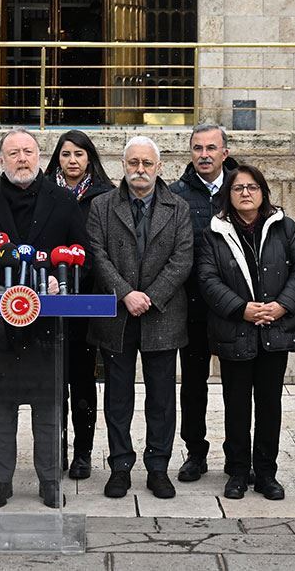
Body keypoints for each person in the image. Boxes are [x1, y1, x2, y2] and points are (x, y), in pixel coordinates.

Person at [0, 129, 86, 509]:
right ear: (1, 161)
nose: (22, 159)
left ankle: (50, 481)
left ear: (39, 156)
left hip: (50, 329)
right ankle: (0, 482)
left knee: (49, 409)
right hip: (0, 328)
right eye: (13, 153)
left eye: (28, 152)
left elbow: (84, 254)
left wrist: (62, 279)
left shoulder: (63, 201)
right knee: (0, 410)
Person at [87, 136, 194, 501]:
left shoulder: (178, 207)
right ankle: (120, 466)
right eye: (133, 162)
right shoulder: (102, 206)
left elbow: (182, 259)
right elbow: (97, 254)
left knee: (161, 397)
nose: (140, 170)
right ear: (123, 165)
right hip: (118, 315)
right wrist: (125, 293)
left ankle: (158, 467)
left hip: (162, 314)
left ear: (159, 167)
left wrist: (151, 296)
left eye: (147, 163)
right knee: (118, 396)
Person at [196, 163, 295, 501]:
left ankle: (266, 473)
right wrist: (241, 308)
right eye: (238, 188)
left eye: (252, 187)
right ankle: (237, 472)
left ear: (263, 192)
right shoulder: (214, 232)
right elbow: (207, 278)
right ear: (228, 195)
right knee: (236, 406)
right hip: (235, 329)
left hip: (275, 329)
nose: (245, 193)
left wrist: (282, 305)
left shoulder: (284, 227)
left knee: (269, 405)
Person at [167, 123, 237, 483]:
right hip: (192, 308)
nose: (204, 155)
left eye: (211, 148)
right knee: (193, 385)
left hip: (235, 309)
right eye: (198, 148)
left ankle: (238, 454)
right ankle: (195, 452)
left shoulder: (243, 189)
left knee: (237, 386)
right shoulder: (176, 195)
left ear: (225, 152)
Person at [46, 128, 114, 480]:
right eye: (66, 154)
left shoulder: (105, 196)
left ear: (90, 158)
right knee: (53, 382)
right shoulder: (45, 193)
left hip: (88, 300)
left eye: (79, 154)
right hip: (50, 298)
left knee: (83, 380)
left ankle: (83, 452)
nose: (72, 161)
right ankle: (55, 448)